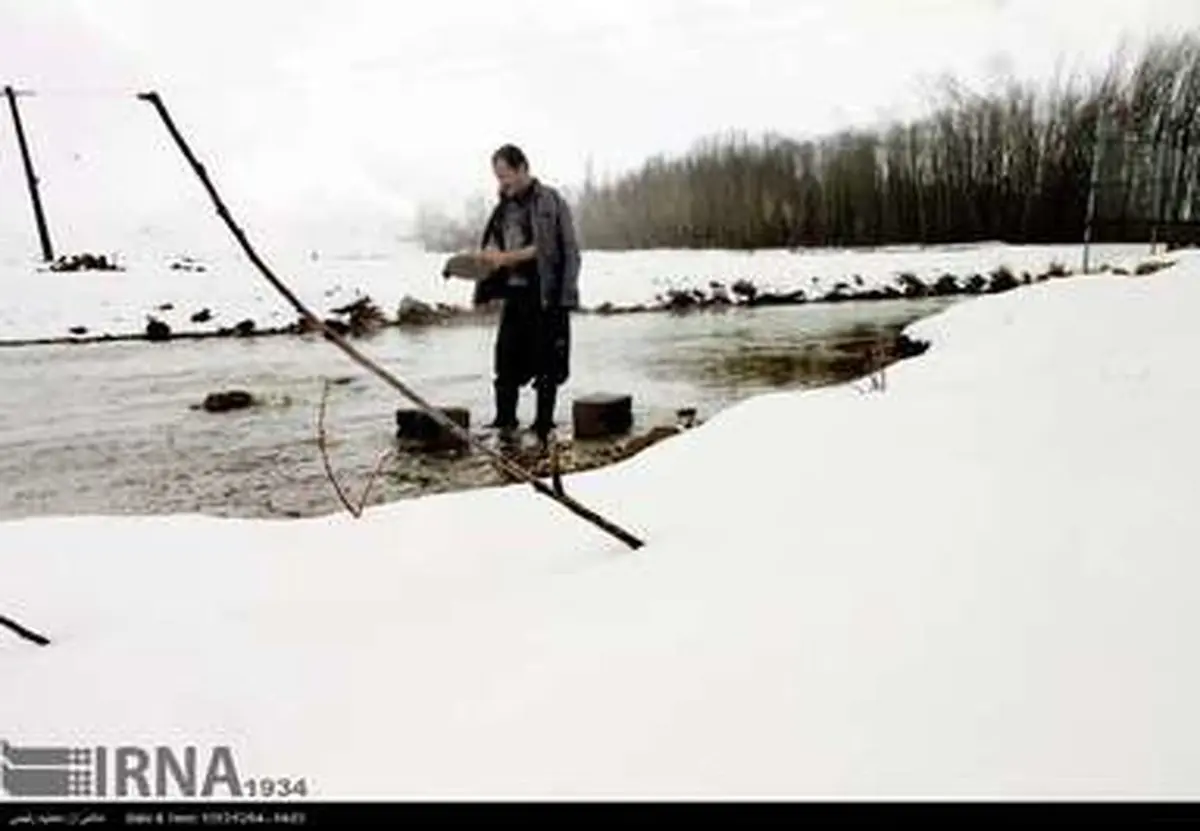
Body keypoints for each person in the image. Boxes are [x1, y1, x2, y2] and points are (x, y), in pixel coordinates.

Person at [471, 144, 580, 446]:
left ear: (522, 169)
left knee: (548, 368)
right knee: (505, 363)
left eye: (505, 175)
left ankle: (543, 429)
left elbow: (560, 248)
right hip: (515, 297)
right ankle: (505, 425)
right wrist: (491, 254)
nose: (501, 182)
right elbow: (494, 239)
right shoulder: (503, 207)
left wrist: (567, 295)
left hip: (547, 296)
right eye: (497, 177)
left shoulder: (551, 201)